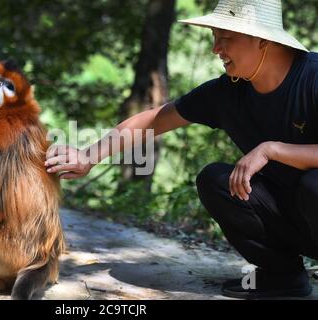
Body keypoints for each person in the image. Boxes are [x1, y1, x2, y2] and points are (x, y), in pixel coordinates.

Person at [45, 0, 318, 299]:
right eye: (214, 37)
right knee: (216, 180)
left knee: (313, 183)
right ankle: (283, 278)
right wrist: (88, 156)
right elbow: (155, 119)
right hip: (297, 219)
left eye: (226, 38)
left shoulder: (313, 78)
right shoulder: (228, 92)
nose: (216, 49)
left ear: (263, 40)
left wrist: (272, 150)